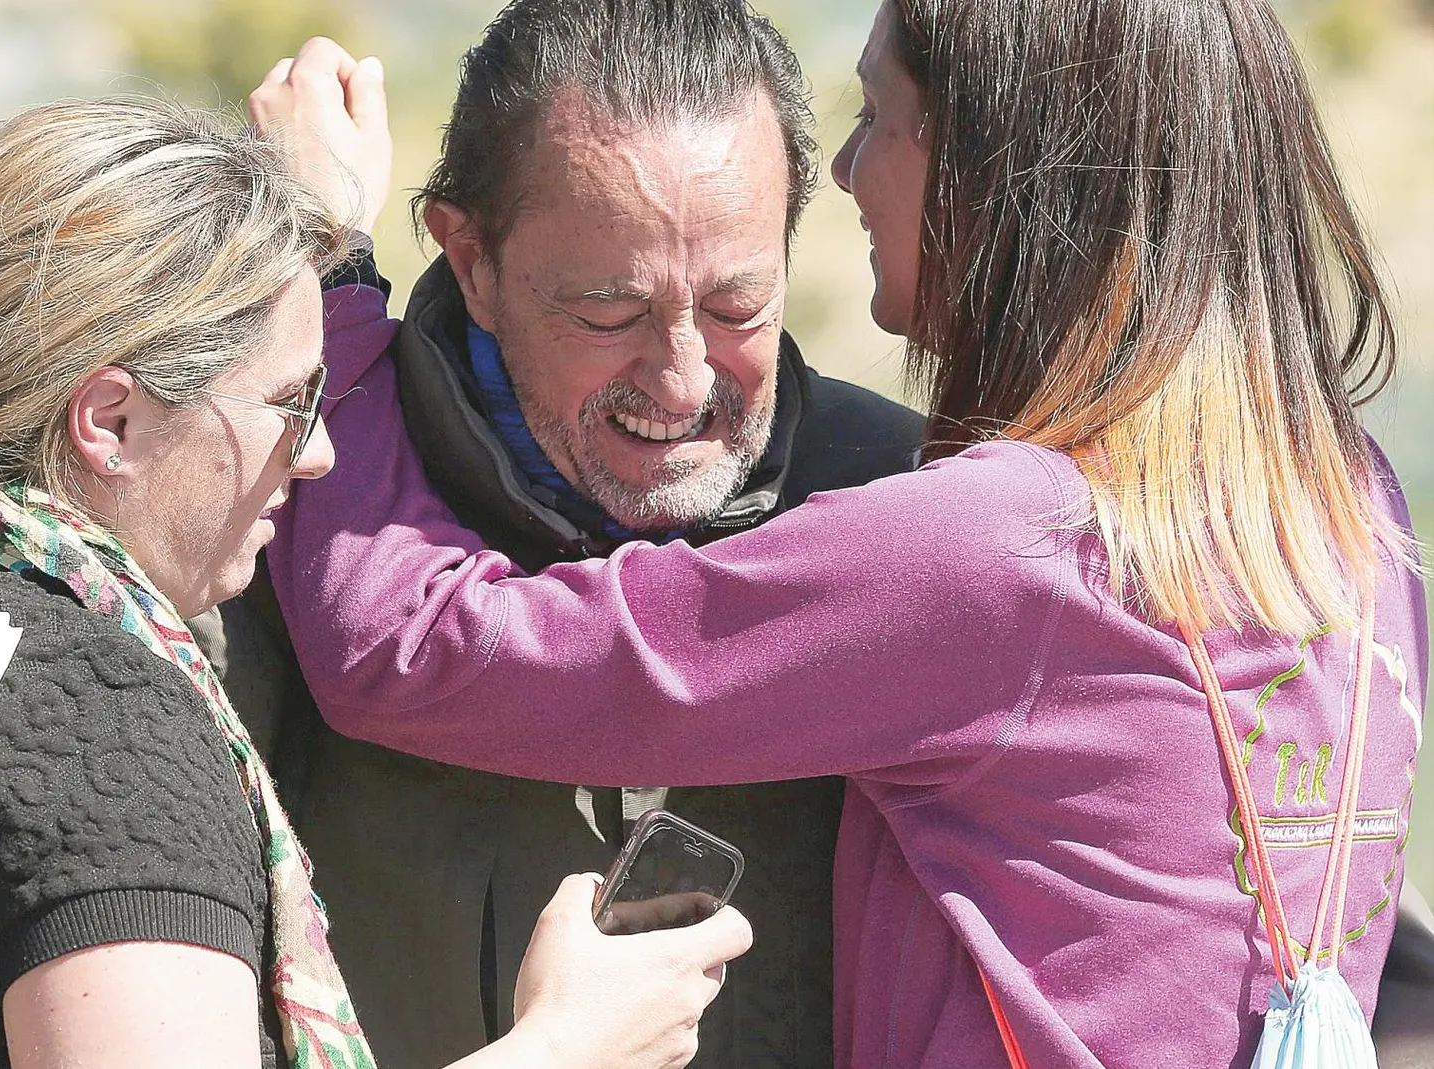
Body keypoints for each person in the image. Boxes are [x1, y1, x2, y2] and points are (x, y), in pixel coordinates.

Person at [0, 5, 928, 1066]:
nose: (684, 379)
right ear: (471, 255)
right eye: (611, 312)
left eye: (740, 302)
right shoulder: (272, 513)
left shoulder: (906, 518)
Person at [246, 0, 1434, 1065]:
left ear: (998, 173)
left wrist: (333, 277)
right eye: (608, 309)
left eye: (879, 117)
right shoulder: (1350, 513)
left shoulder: (995, 548)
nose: (853, 169)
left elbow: (414, 648)